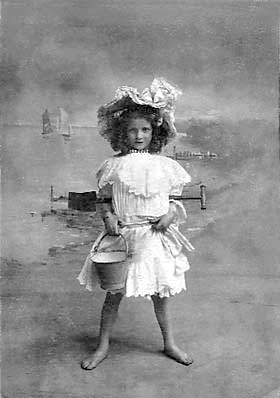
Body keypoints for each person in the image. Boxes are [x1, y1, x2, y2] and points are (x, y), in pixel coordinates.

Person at [78, 78, 195, 370]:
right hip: (123, 236)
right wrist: (109, 218)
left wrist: (168, 216)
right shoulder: (113, 166)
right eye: (132, 130)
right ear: (122, 133)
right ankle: (102, 345)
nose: (138, 135)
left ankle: (169, 343)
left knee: (160, 295)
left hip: (154, 237)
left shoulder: (164, 166)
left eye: (144, 129)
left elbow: (174, 200)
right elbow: (104, 199)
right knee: (113, 295)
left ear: (154, 131)